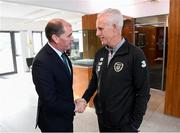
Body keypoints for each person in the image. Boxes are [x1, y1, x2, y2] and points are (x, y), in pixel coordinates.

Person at [75, 8, 150, 132]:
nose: (97, 33)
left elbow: (143, 92)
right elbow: (94, 81)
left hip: (124, 124)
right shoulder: (100, 53)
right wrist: (84, 99)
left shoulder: (135, 54)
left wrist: (134, 125)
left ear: (114, 27)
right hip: (103, 119)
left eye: (101, 28)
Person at [32, 18, 75, 132]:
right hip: (53, 123)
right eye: (69, 35)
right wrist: (74, 107)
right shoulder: (41, 62)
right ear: (55, 38)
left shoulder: (62, 53)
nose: (72, 39)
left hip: (66, 117)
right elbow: (49, 101)